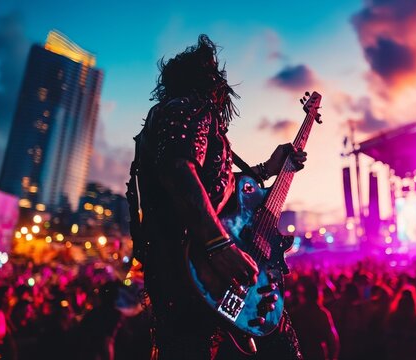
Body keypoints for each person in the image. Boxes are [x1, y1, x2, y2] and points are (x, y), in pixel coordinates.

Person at [128, 34, 306, 359]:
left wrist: (267, 168)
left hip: (186, 272)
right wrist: (219, 244)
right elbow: (178, 169)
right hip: (195, 270)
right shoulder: (190, 107)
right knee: (280, 347)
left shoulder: (174, 114)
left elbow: (214, 186)